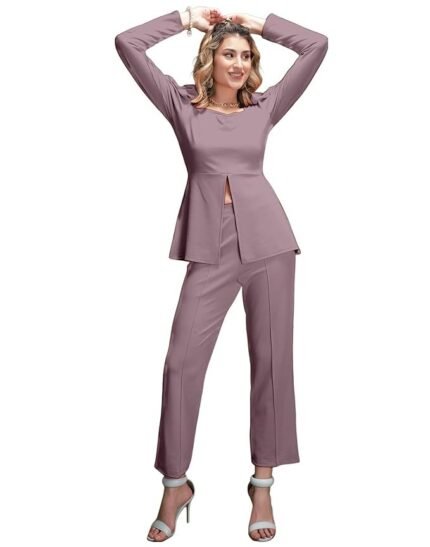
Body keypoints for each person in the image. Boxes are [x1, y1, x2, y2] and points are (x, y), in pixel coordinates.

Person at [114, 6, 328, 542]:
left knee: (272, 362)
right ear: (210, 59)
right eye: (229, 54)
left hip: (269, 244)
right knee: (180, 365)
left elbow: (317, 45)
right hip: (209, 248)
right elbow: (127, 43)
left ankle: (263, 484)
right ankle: (175, 484)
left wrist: (258, 25)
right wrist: (185, 17)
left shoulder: (264, 106)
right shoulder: (181, 104)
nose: (238, 63)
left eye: (246, 56)